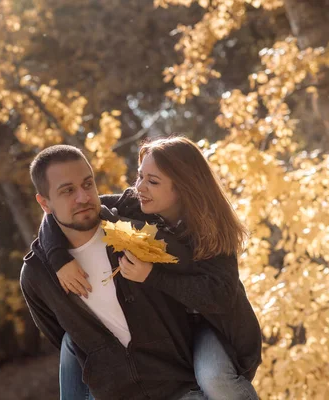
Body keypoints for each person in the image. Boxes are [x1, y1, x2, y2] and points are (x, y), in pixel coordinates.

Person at [39, 136, 262, 400]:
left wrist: (152, 276)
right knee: (72, 342)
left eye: (153, 182)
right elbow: (66, 210)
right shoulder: (137, 205)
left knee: (215, 380)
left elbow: (219, 297)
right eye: (140, 176)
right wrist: (58, 259)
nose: (140, 187)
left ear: (183, 187)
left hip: (210, 326)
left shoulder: (212, 231)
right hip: (163, 330)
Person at [20, 144, 207, 400]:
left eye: (88, 184)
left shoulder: (133, 226)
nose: (83, 197)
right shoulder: (37, 275)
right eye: (67, 191)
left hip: (181, 389)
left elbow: (188, 265)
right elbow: (63, 337)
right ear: (45, 203)